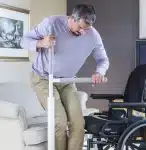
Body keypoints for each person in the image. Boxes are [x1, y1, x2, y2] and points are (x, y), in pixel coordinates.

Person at [20, 4, 109, 150]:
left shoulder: (92, 35)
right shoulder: (51, 24)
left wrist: (100, 72)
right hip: (43, 79)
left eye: (86, 29)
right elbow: (23, 41)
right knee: (59, 121)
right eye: (80, 28)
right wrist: (41, 43)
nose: (82, 32)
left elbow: (103, 60)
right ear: (72, 18)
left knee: (78, 123)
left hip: (67, 81)